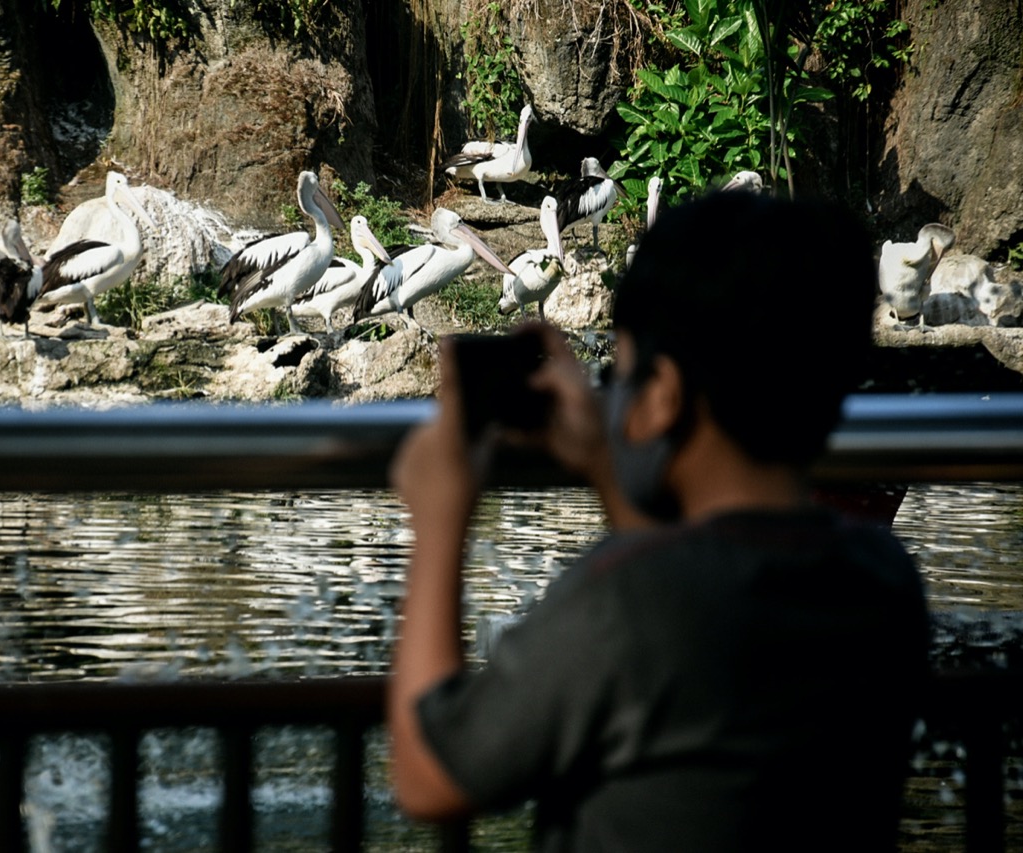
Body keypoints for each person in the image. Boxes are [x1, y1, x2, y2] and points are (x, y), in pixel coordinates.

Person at [387, 191, 930, 851]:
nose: (614, 395)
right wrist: (606, 467)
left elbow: (429, 777)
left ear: (664, 396)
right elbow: (698, 586)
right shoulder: (883, 579)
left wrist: (440, 519)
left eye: (620, 372)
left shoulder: (622, 597)